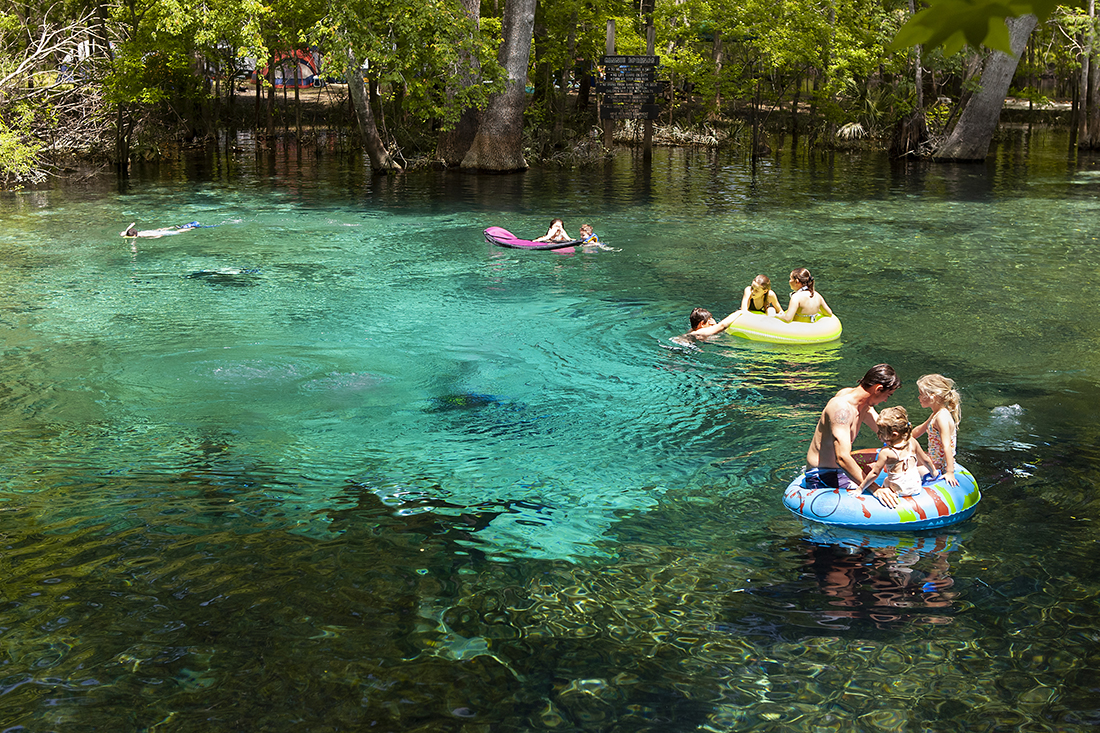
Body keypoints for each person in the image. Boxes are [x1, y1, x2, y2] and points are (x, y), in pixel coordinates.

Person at [804, 364, 901, 490]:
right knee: (881, 499)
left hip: (839, 471)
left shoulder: (863, 405)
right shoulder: (841, 409)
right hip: (823, 475)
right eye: (888, 395)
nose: (886, 401)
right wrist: (874, 489)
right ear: (878, 389)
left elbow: (886, 432)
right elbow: (842, 457)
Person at [856, 406, 937, 508]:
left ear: (894, 434)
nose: (878, 434)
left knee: (886, 480)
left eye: (881, 432)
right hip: (916, 487)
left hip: (900, 490)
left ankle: (885, 498)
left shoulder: (886, 452)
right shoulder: (912, 441)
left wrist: (861, 488)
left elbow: (875, 473)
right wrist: (934, 473)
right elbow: (925, 460)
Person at [912, 373, 961, 486]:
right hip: (933, 460)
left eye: (921, 394)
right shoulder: (936, 413)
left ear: (933, 396)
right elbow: (920, 430)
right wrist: (905, 437)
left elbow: (947, 445)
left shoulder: (942, 417)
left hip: (939, 467)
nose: (919, 397)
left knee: (906, 472)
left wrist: (950, 472)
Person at [121, 221, 200, 239]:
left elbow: (155, 235)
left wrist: (157, 237)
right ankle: (175, 226)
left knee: (177, 232)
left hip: (156, 233)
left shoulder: (143, 235)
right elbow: (124, 232)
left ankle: (192, 228)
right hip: (155, 230)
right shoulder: (140, 233)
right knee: (162, 229)